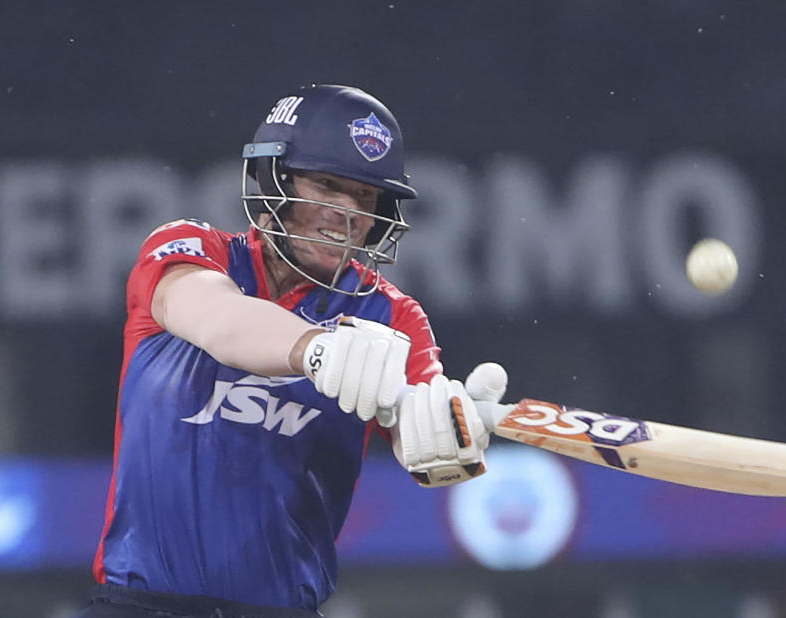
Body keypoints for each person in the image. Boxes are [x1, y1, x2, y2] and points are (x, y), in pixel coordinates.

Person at [75, 84, 505, 618]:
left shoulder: (393, 317)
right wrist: (316, 349)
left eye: (365, 198)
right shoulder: (191, 250)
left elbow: (426, 452)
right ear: (276, 180)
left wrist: (449, 432)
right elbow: (220, 321)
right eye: (327, 186)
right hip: (136, 607)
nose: (345, 214)